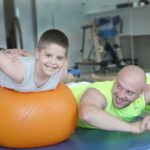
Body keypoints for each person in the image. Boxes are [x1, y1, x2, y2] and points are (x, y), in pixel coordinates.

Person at [67, 65, 150, 133]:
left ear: (141, 93)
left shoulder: (144, 94)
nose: (121, 95)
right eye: (119, 86)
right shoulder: (99, 93)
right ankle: (70, 77)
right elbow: (87, 115)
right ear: (115, 81)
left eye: (129, 92)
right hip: (65, 94)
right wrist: (131, 127)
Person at [0, 29, 69, 92]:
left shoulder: (59, 75)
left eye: (59, 58)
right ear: (37, 53)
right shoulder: (20, 72)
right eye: (48, 55)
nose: (53, 62)